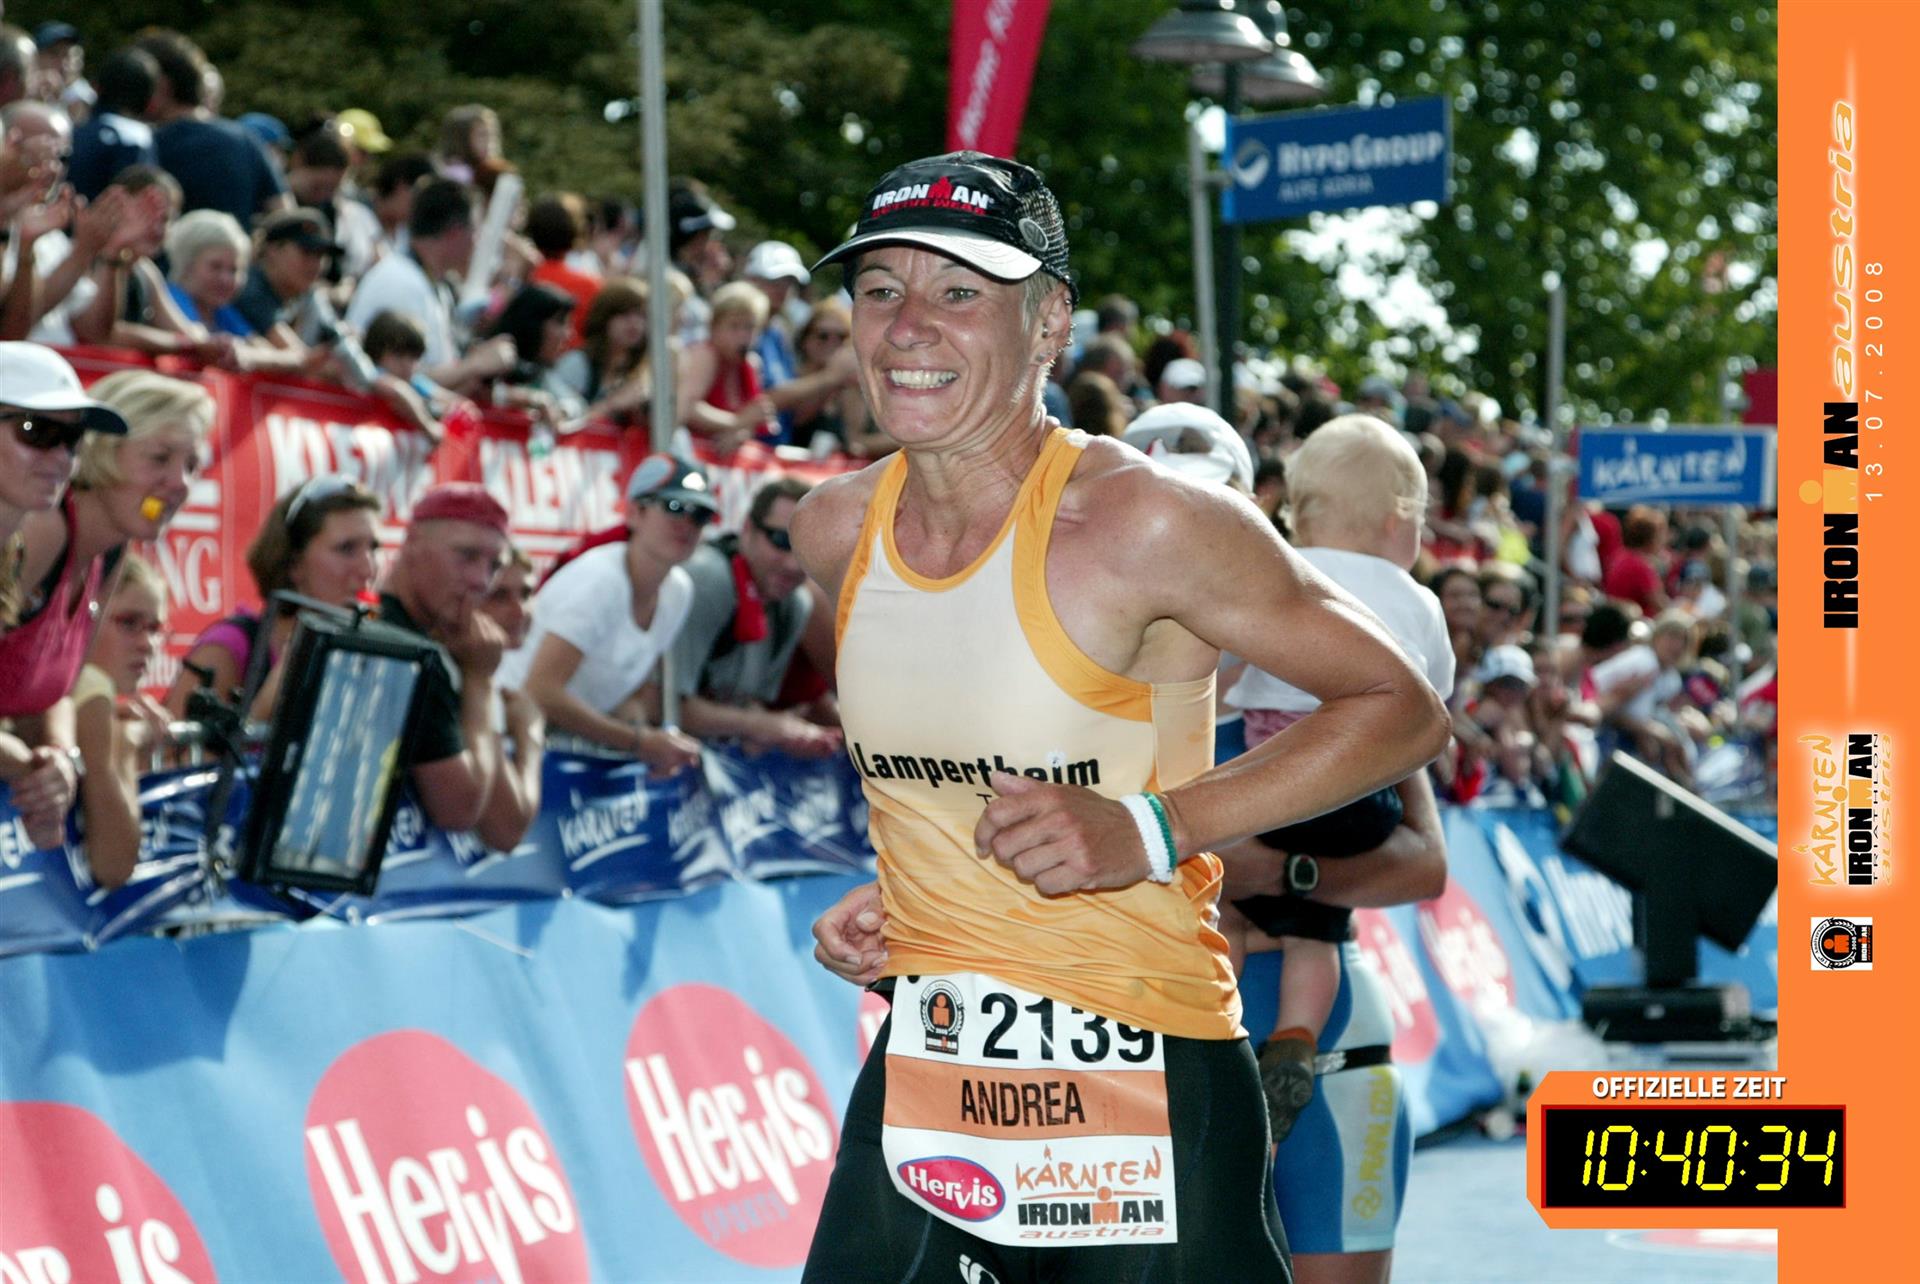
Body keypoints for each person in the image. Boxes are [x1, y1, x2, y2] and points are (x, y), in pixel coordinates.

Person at [796, 150, 1447, 1283]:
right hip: (933, 1067)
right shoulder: (834, 529)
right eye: (880, 289)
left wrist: (1155, 826)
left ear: (1049, 323)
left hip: (1142, 1073)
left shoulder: (1147, 520)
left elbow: (1404, 709)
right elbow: (959, 762)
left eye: (959, 291)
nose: (907, 327)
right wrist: (912, 887)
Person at [1219, 414, 1453, 1142]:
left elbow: (1224, 678)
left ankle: (1212, 1037)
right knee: (1319, 929)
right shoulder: (1418, 600)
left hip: (1274, 780)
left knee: (1227, 908)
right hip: (1363, 796)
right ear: (1397, 522)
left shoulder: (1273, 576)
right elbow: (1435, 701)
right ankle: (1297, 1038)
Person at [495, 456, 706, 771]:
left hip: (559, 742)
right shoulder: (601, 581)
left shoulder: (678, 590)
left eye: (701, 514)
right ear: (634, 512)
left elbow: (629, 697)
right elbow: (540, 690)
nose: (687, 524)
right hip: (508, 735)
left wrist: (649, 738)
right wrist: (639, 742)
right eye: (674, 507)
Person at [0, 342, 125, 849]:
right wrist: (27, 765)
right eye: (36, 431)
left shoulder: (12, 550)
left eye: (71, 439)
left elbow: (47, 694)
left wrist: (55, 756)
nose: (60, 458)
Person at [162, 475, 380, 718]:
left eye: (374, 548)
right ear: (294, 563)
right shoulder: (232, 646)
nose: (368, 569)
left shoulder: (362, 652)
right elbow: (171, 742)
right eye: (346, 549)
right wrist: (265, 707)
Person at [670, 475, 839, 757]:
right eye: (780, 541)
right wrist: (763, 725)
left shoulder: (794, 604)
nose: (793, 564)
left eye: (808, 549)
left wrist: (792, 733)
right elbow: (666, 705)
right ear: (748, 528)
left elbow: (747, 707)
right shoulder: (708, 580)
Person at [345, 177, 516, 396]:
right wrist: (475, 365)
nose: (477, 241)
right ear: (455, 232)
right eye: (475, 231)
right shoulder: (399, 281)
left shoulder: (428, 281)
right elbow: (402, 378)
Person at [73, 553, 173, 889]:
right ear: (89, 614)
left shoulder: (88, 695)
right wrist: (127, 742)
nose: (147, 644)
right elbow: (115, 864)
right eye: (129, 623)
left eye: (155, 629)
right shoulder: (91, 686)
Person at [676, 279, 776, 451]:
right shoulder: (704, 355)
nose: (743, 336)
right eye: (734, 327)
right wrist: (737, 422)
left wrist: (739, 433)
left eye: (750, 327)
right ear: (714, 327)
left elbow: (754, 422)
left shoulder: (751, 364)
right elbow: (686, 408)